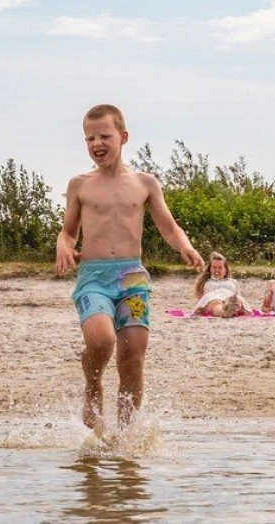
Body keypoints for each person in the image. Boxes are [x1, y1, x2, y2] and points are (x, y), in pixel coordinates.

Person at [56, 104, 204, 430]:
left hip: (132, 277)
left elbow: (168, 226)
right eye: (89, 138)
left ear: (123, 137)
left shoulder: (145, 183)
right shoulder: (80, 184)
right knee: (101, 341)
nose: (97, 143)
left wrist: (185, 247)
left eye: (104, 136)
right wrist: (64, 248)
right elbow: (68, 232)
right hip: (94, 276)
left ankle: (126, 435)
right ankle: (93, 384)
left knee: (133, 355)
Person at [192, 252, 248, 318]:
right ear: (210, 269)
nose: (217, 270)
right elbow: (199, 296)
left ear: (225, 269)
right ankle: (224, 312)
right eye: (214, 267)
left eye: (220, 267)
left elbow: (238, 294)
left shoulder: (233, 282)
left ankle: (230, 307)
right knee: (216, 303)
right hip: (212, 298)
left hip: (230, 297)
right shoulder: (205, 281)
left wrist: (234, 300)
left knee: (236, 300)